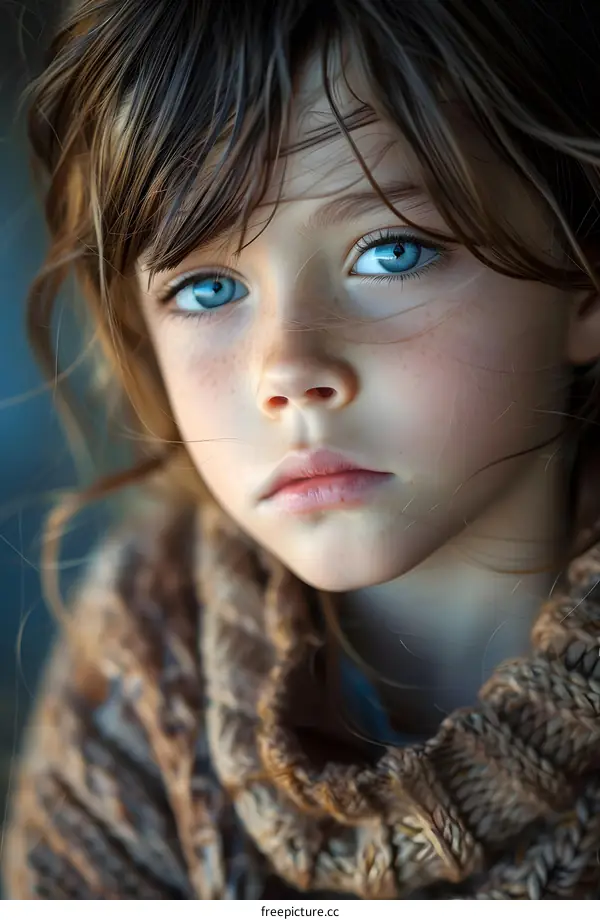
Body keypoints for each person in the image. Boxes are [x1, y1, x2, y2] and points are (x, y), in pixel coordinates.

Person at [3, 0, 600, 900]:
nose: (286, 369)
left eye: (392, 252)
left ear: (587, 280)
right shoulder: (143, 676)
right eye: (207, 287)